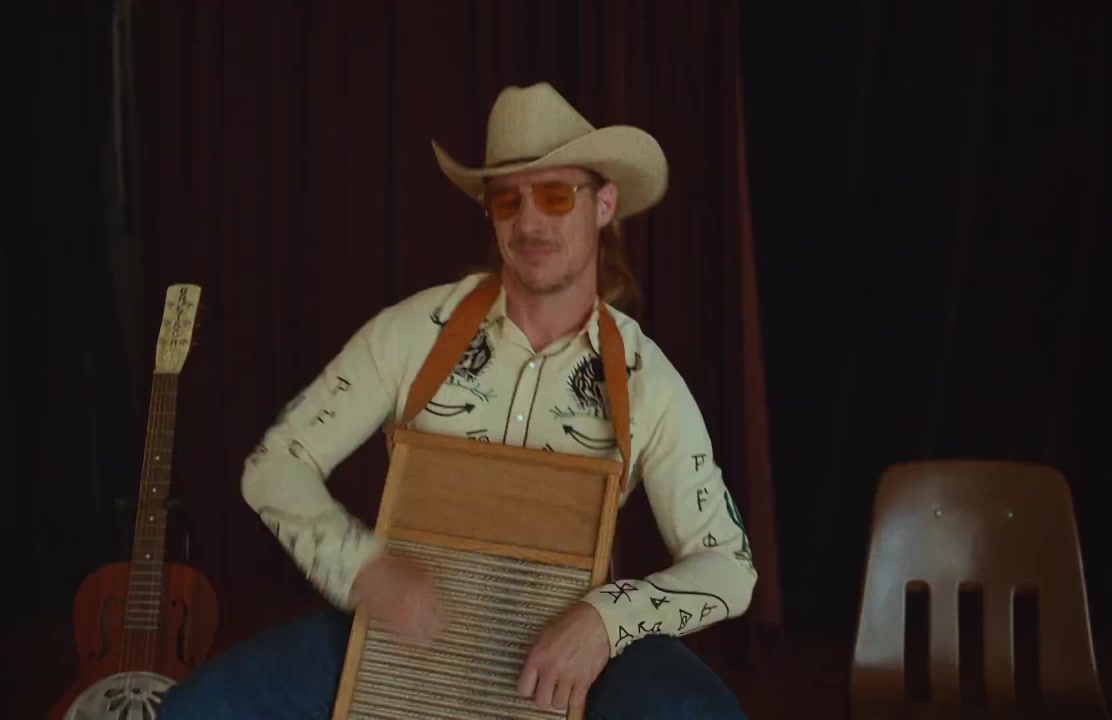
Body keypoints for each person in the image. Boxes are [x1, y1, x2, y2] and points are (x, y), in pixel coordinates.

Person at [157, 82, 757, 719]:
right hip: (405, 639)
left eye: (556, 195)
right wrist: (364, 569)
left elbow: (728, 564)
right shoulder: (411, 333)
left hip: (567, 659)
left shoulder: (646, 380)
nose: (530, 222)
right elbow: (274, 466)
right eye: (507, 200)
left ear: (604, 204)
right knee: (200, 710)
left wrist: (606, 619)